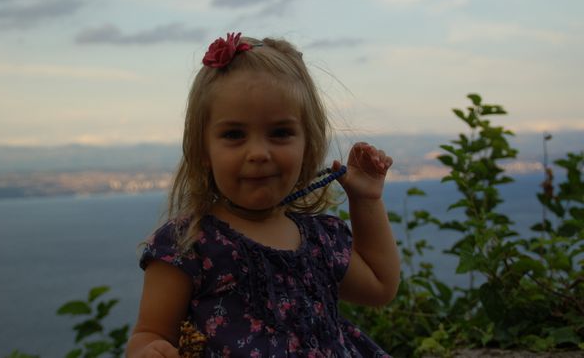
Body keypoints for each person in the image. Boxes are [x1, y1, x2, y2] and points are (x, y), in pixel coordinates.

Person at [127, 32, 400, 357]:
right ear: (203, 150)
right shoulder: (188, 246)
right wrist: (149, 350)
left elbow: (380, 286)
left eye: (280, 132)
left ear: (308, 144)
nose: (258, 153)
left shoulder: (319, 241)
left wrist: (366, 200)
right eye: (234, 134)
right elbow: (149, 334)